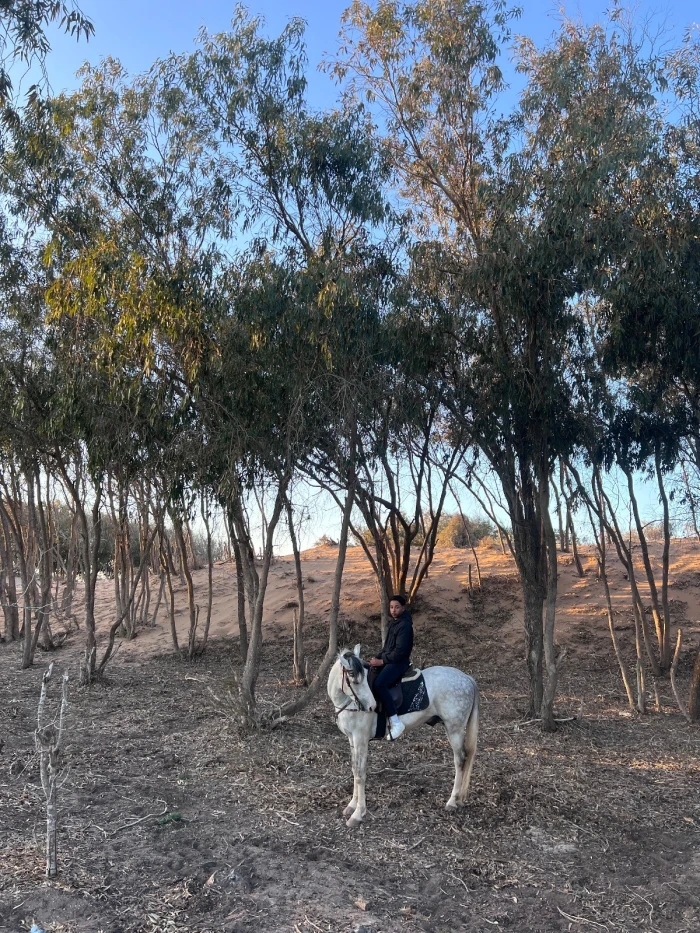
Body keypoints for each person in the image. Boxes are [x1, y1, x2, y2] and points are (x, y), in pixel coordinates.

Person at [368, 594, 414, 740]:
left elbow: (399, 652)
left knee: (380, 684)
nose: (393, 610)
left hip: (399, 663)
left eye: (397, 607)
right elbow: (387, 648)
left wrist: (382, 662)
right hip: (391, 660)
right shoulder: (394, 623)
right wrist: (376, 657)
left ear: (403, 608)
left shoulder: (405, 625)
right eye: (392, 607)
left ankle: (395, 721)